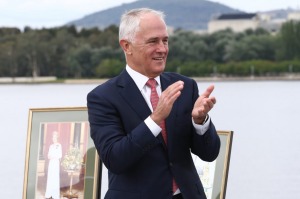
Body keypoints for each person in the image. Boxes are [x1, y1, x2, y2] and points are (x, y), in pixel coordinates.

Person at [87, 8, 220, 199]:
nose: (162, 49)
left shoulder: (185, 86)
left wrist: (200, 122)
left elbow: (209, 154)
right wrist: (155, 119)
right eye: (153, 41)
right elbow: (114, 159)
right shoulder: (103, 97)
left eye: (165, 40)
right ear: (127, 46)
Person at [45, 131, 62, 199]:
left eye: (55, 137)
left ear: (57, 138)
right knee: (50, 177)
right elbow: (48, 155)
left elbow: (59, 155)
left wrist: (53, 156)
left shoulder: (59, 145)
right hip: (51, 163)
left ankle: (55, 195)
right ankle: (49, 194)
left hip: (55, 163)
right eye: (53, 137)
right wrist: (51, 156)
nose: (53, 138)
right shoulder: (51, 146)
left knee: (55, 178)